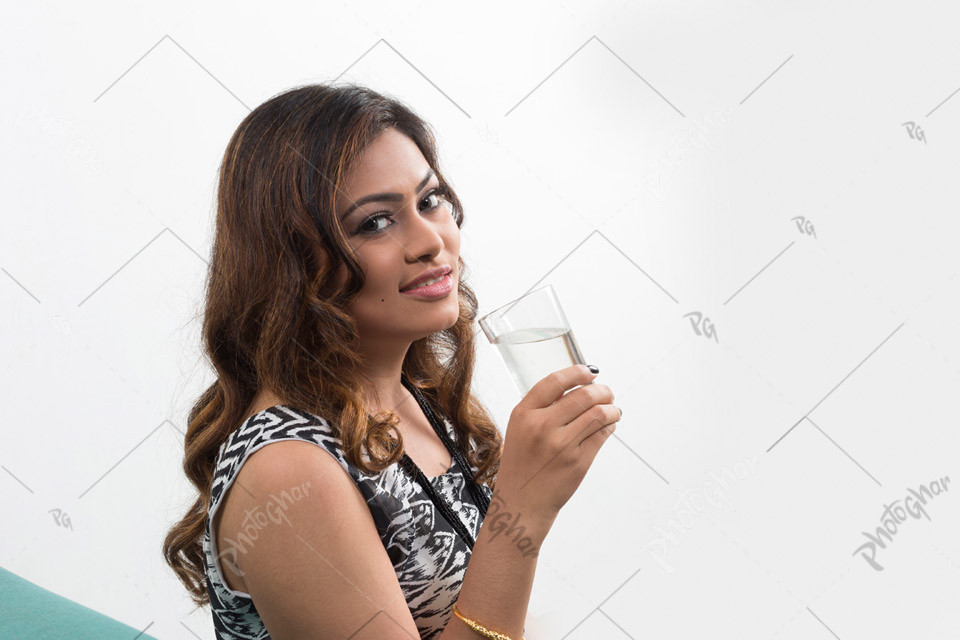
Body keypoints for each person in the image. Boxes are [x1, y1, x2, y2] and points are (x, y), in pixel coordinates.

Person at [161, 82, 622, 639]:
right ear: (293, 263)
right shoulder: (290, 474)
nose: (431, 240)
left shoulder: (411, 396)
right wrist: (519, 514)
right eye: (375, 222)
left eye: (430, 201)